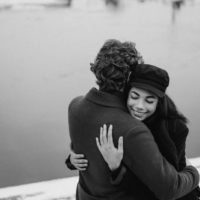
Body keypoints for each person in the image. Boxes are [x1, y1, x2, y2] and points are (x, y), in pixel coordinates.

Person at [67, 39, 199, 200]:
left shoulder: (75, 106)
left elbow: (83, 152)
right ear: (130, 78)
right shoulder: (132, 129)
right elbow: (170, 188)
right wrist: (193, 173)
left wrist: (71, 160)